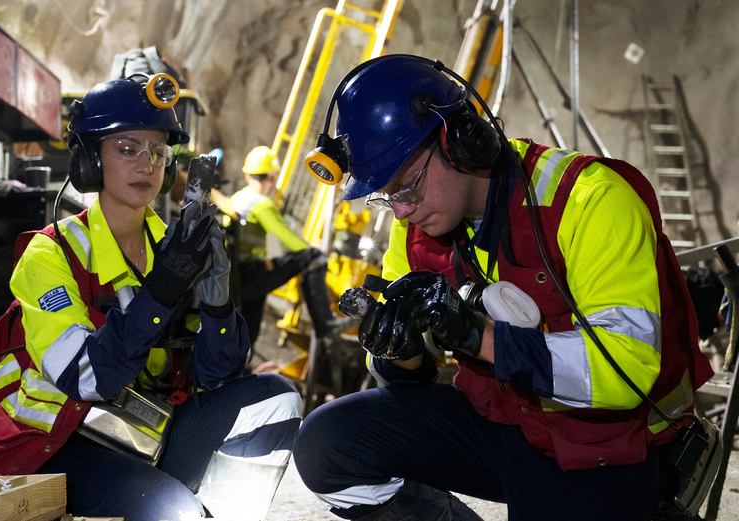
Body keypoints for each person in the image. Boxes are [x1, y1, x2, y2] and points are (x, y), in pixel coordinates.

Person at [292, 54, 715, 521]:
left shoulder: (592, 201)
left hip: (610, 446)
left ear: (460, 142)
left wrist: (478, 337)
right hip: (503, 422)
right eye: (387, 195)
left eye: (406, 187)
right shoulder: (414, 226)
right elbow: (409, 379)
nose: (401, 210)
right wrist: (400, 347)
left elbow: (627, 372)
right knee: (326, 446)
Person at [0, 76, 302, 521]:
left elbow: (218, 376)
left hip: (136, 429)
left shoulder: (171, 247)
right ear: (89, 161)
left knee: (275, 398)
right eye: (128, 149)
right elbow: (84, 376)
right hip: (48, 437)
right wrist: (164, 288)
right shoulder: (53, 252)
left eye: (157, 153)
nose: (147, 165)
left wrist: (218, 304)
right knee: (177, 513)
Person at [227, 145, 335, 345]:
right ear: (272, 178)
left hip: (233, 278)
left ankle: (238, 368)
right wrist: (316, 249)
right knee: (312, 256)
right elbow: (292, 243)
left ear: (247, 176)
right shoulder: (262, 204)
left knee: (247, 330)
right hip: (250, 275)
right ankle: (325, 324)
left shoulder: (237, 198)